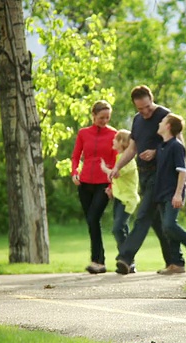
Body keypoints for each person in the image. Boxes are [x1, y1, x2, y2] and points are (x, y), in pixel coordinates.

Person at [110, 85, 182, 274]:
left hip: (161, 176)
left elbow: (179, 146)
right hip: (144, 175)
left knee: (142, 217)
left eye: (148, 107)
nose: (145, 112)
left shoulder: (166, 116)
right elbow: (132, 149)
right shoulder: (137, 120)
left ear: (152, 99)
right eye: (140, 108)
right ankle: (175, 262)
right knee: (158, 222)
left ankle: (125, 257)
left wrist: (157, 152)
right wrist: (117, 166)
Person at [146, 113, 186, 275]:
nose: (159, 122)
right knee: (166, 228)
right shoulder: (162, 146)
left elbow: (182, 171)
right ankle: (177, 263)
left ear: (168, 126)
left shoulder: (176, 146)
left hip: (173, 193)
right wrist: (153, 153)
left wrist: (178, 194)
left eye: (163, 121)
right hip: (162, 193)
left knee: (169, 225)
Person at [71, 100, 118, 274]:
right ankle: (100, 262)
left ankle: (96, 260)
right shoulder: (83, 133)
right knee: (92, 222)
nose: (105, 121)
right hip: (84, 184)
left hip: (104, 184)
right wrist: (74, 172)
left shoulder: (114, 134)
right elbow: (76, 156)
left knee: (93, 218)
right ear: (93, 116)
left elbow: (115, 162)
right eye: (101, 117)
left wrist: (112, 185)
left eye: (107, 117)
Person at [100, 129, 140, 273]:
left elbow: (115, 174)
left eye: (116, 139)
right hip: (119, 198)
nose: (113, 141)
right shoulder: (119, 157)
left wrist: (104, 168)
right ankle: (128, 263)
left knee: (117, 229)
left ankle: (125, 257)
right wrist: (112, 190)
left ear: (122, 142)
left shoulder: (128, 160)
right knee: (123, 229)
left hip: (127, 201)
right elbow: (119, 180)